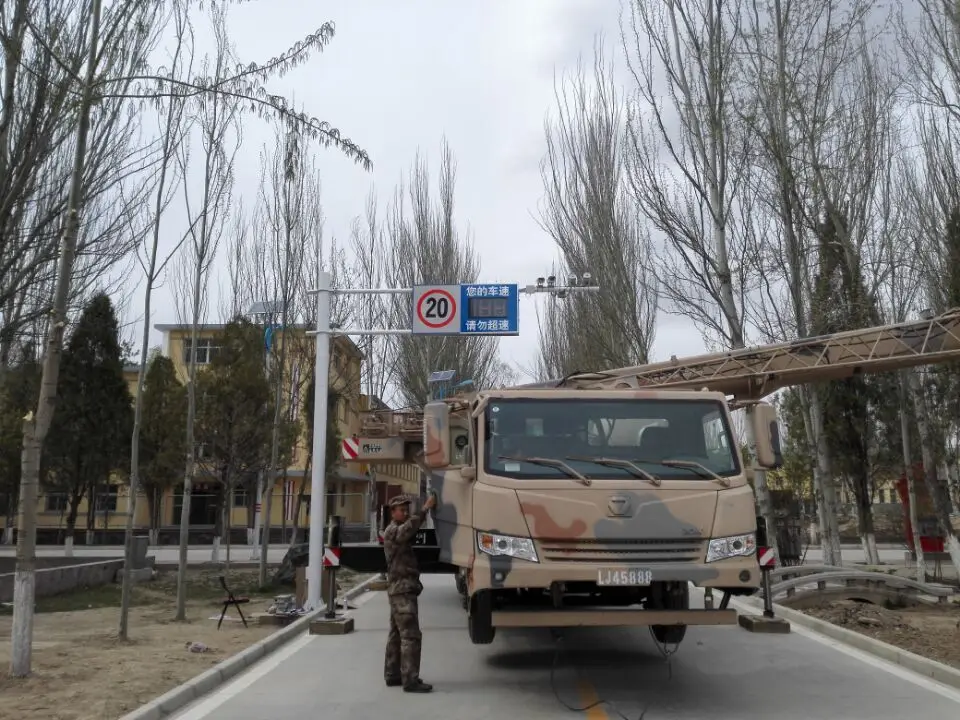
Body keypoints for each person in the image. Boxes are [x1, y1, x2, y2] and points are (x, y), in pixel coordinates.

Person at [382, 491, 436, 693]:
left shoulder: (393, 530)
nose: (404, 513)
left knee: (397, 634)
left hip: (399, 590)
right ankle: (410, 680)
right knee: (410, 635)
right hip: (402, 590)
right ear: (392, 513)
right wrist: (425, 509)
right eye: (401, 510)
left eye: (406, 510)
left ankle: (393, 674)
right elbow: (409, 529)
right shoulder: (393, 531)